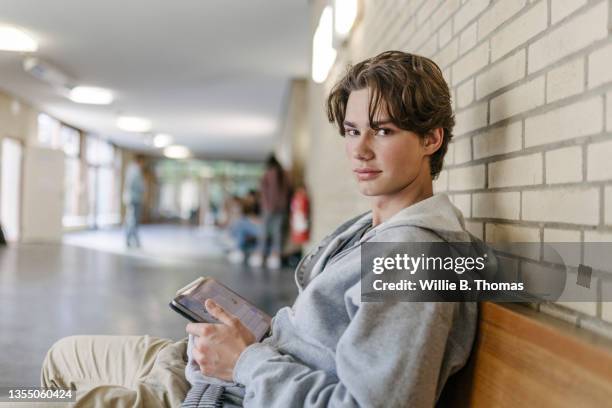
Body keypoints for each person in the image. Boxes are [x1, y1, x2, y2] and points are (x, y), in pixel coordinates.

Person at [41, 51, 478, 407]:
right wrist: (256, 340)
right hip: (210, 373)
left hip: (225, 393)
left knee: (30, 399)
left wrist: (246, 359)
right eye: (351, 130)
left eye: (382, 131)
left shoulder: (414, 258)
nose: (359, 150)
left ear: (430, 139)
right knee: (61, 358)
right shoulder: (370, 228)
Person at [248, 155, 291, 270]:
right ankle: (275, 257)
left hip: (268, 208)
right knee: (278, 232)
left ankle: (259, 256)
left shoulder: (268, 174)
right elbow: (288, 191)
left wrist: (268, 206)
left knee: (264, 232)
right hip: (282, 208)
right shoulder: (285, 174)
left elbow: (265, 192)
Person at [123, 155, 145, 248]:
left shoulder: (131, 169)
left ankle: (132, 239)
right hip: (134, 199)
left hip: (131, 198)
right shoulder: (135, 170)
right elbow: (135, 185)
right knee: (133, 220)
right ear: (139, 161)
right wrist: (142, 189)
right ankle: (132, 239)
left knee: (132, 219)